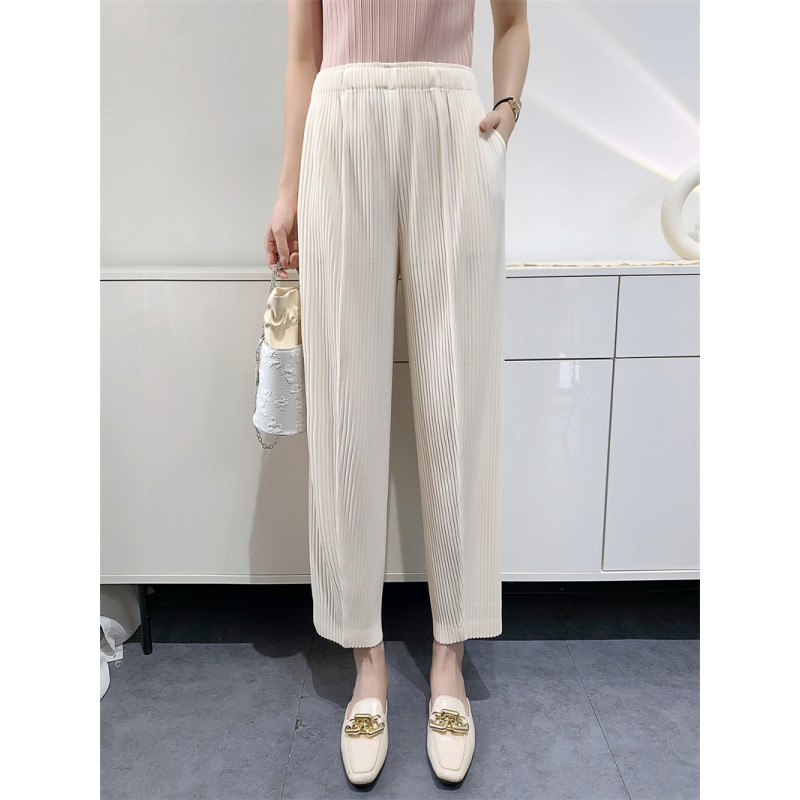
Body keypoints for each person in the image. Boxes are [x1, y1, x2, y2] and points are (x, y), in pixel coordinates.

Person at [265, 0, 529, 786]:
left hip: (451, 123)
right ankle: (367, 664)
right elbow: (303, 52)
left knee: (457, 399)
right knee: (346, 408)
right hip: (341, 124)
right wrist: (287, 186)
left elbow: (513, 22)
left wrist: (507, 110)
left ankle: (449, 662)